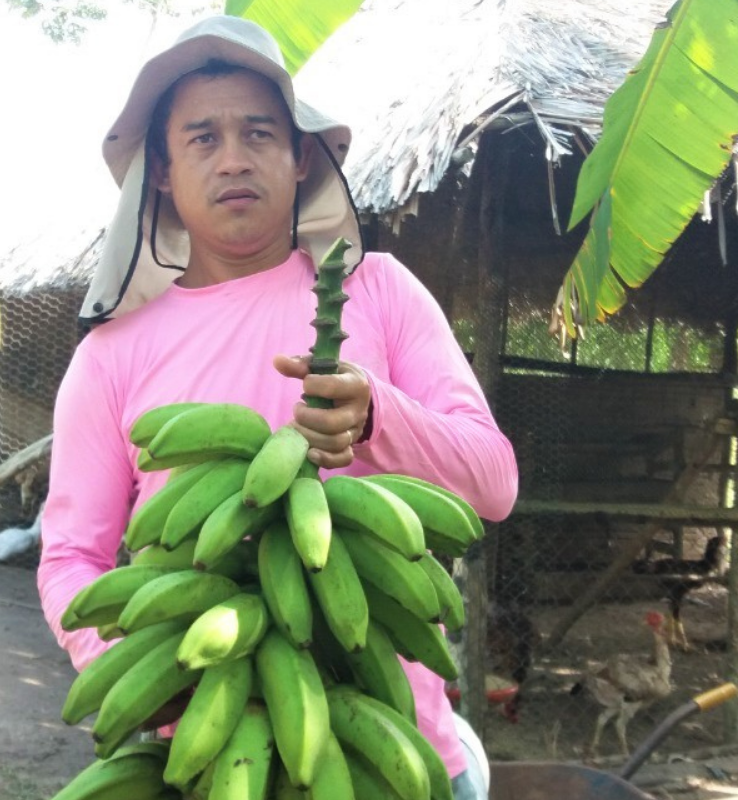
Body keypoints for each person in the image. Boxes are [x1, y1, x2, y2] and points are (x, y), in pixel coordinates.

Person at [37, 15, 518, 799]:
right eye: (202, 138)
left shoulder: (382, 292)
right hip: (209, 745)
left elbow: (494, 484)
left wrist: (377, 416)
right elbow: (71, 558)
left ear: (300, 158)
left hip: (394, 749)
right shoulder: (111, 354)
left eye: (259, 133)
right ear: (161, 171)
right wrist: (117, 664)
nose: (233, 158)